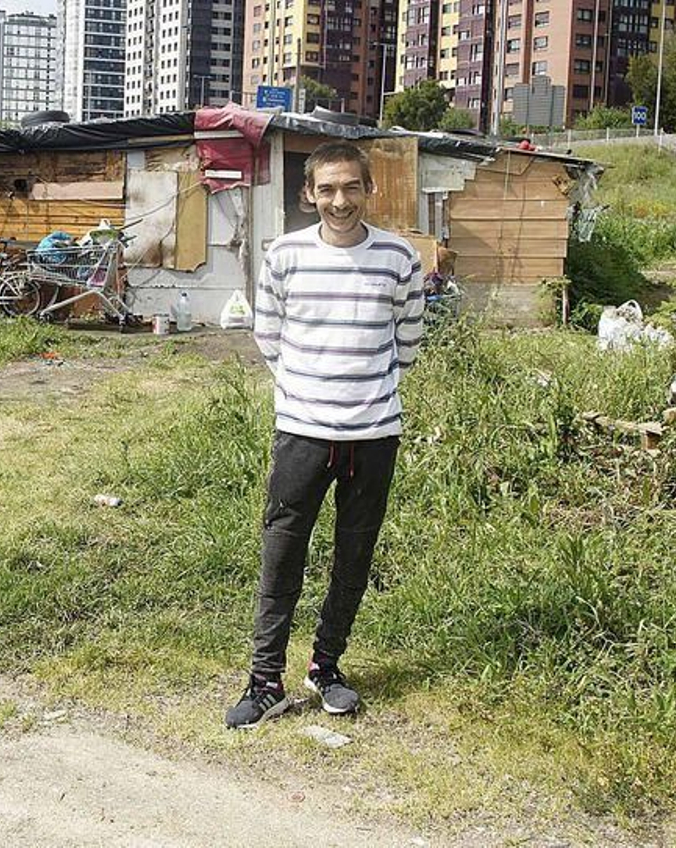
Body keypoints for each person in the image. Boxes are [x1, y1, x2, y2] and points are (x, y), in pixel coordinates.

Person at [226, 142, 425, 729]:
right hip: (302, 434)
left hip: (374, 433)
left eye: (352, 188)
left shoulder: (399, 257)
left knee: (353, 555)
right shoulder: (285, 255)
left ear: (369, 190)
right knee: (281, 556)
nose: (340, 201)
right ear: (309, 194)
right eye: (328, 190)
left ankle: (326, 666)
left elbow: (407, 341)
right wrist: (307, 390)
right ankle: (265, 682)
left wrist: (366, 392)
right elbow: (269, 334)